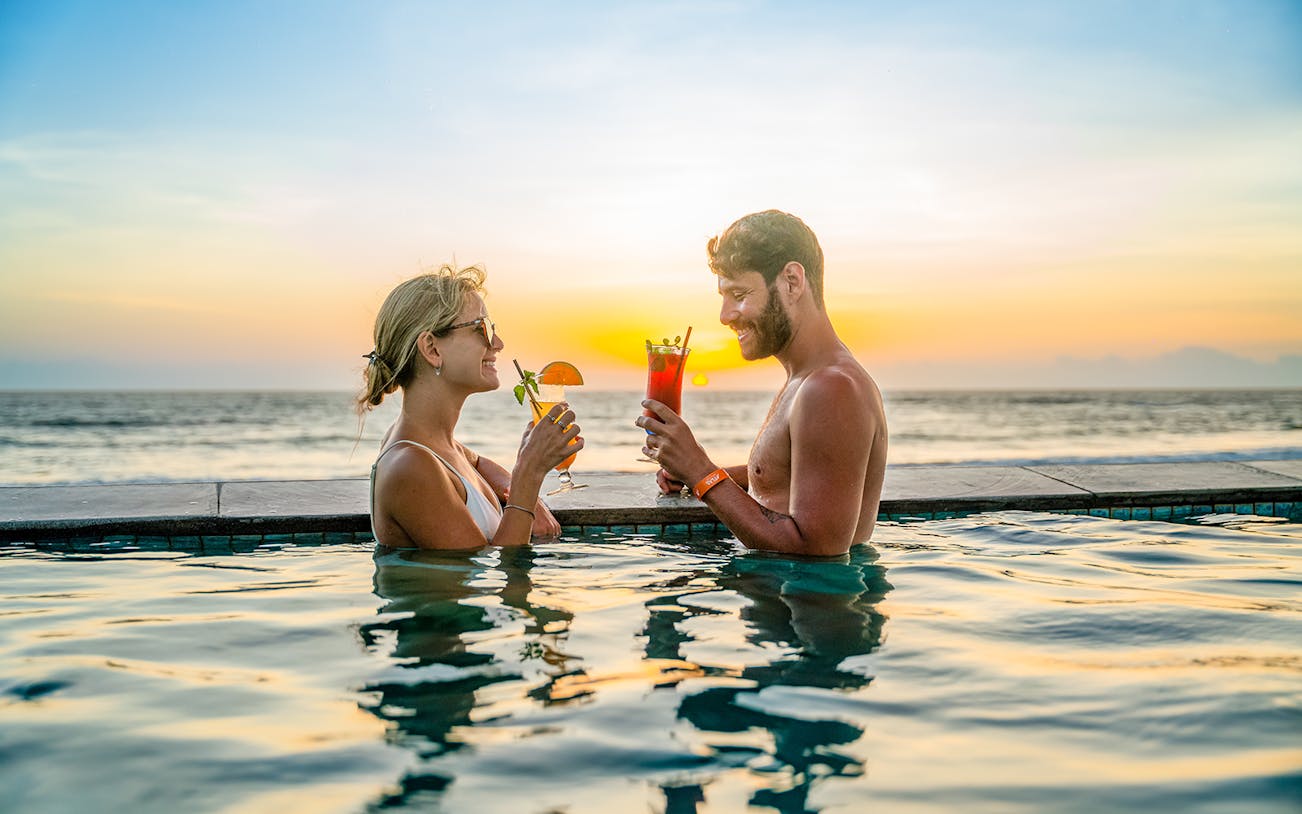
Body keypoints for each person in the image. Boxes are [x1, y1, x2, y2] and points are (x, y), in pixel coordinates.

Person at [636, 210, 888, 556]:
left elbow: (817, 549)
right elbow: (790, 480)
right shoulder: (806, 379)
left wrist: (700, 471)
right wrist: (697, 472)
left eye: (739, 293)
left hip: (808, 607)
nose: (725, 316)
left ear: (792, 281)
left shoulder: (831, 387)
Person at [359, 264, 582, 549]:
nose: (498, 343)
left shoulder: (439, 445)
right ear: (432, 349)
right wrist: (529, 474)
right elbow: (499, 578)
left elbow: (476, 463)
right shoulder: (411, 466)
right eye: (482, 329)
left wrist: (526, 499)